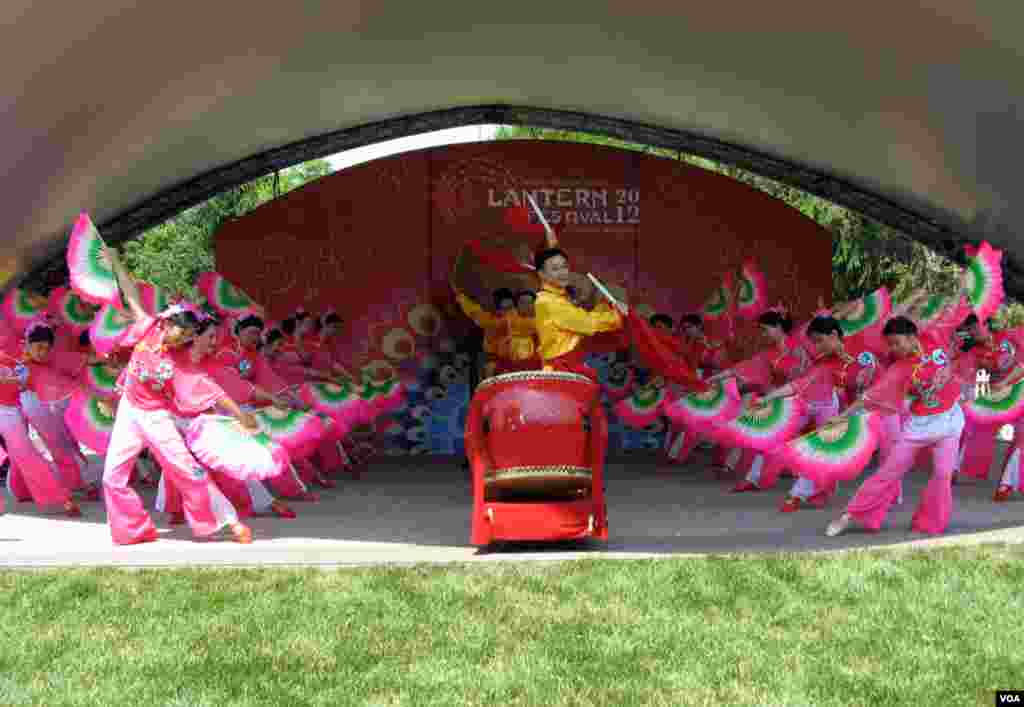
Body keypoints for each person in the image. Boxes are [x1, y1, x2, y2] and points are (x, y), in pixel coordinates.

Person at [100, 247, 255, 545]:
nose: (182, 341)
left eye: (187, 339)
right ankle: (133, 529)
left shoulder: (180, 361)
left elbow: (214, 390)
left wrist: (240, 414)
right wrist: (115, 262)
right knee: (111, 477)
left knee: (188, 470)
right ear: (169, 324)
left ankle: (228, 521)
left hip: (156, 416)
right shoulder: (147, 328)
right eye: (180, 334)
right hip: (128, 412)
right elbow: (130, 291)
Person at [825, 303, 971, 537]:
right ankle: (848, 516)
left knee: (943, 474)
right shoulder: (900, 369)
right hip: (919, 427)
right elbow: (870, 396)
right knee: (888, 472)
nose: (893, 349)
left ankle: (929, 522)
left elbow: (951, 312)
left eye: (896, 343)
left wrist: (964, 293)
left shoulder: (936, 336)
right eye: (890, 345)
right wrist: (842, 416)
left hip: (950, 421)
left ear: (913, 337)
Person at [741, 316, 886, 511]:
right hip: (851, 409)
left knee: (890, 460)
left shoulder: (862, 349)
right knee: (820, 445)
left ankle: (886, 498)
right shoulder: (826, 362)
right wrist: (768, 398)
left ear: (834, 335)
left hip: (884, 409)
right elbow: (799, 384)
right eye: (814, 342)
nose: (817, 347)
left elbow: (881, 378)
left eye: (819, 341)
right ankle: (798, 494)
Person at [533, 248, 623, 381]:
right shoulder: (547, 301)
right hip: (564, 368)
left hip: (572, 363)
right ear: (542, 274)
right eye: (555, 269)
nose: (563, 272)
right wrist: (617, 315)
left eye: (564, 267)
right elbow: (586, 323)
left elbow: (582, 318)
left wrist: (606, 307)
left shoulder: (558, 297)